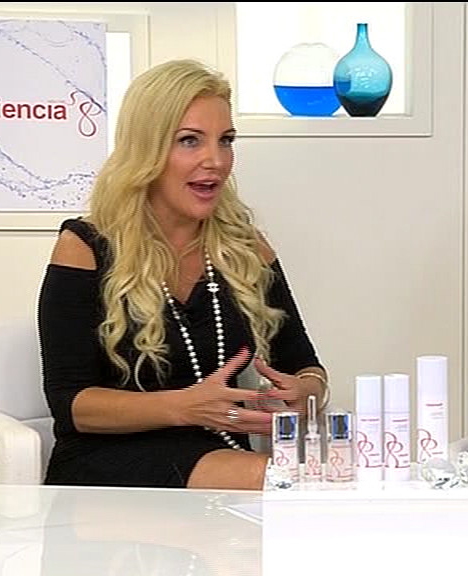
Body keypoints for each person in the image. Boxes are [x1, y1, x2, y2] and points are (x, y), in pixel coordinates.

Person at [38, 59, 327, 490]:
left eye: (226, 140)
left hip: (221, 453)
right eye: (189, 141)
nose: (216, 160)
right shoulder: (85, 247)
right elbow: (70, 403)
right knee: (288, 483)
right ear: (147, 149)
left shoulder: (244, 248)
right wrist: (185, 407)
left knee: (330, 475)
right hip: (107, 462)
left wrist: (307, 392)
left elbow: (303, 364)